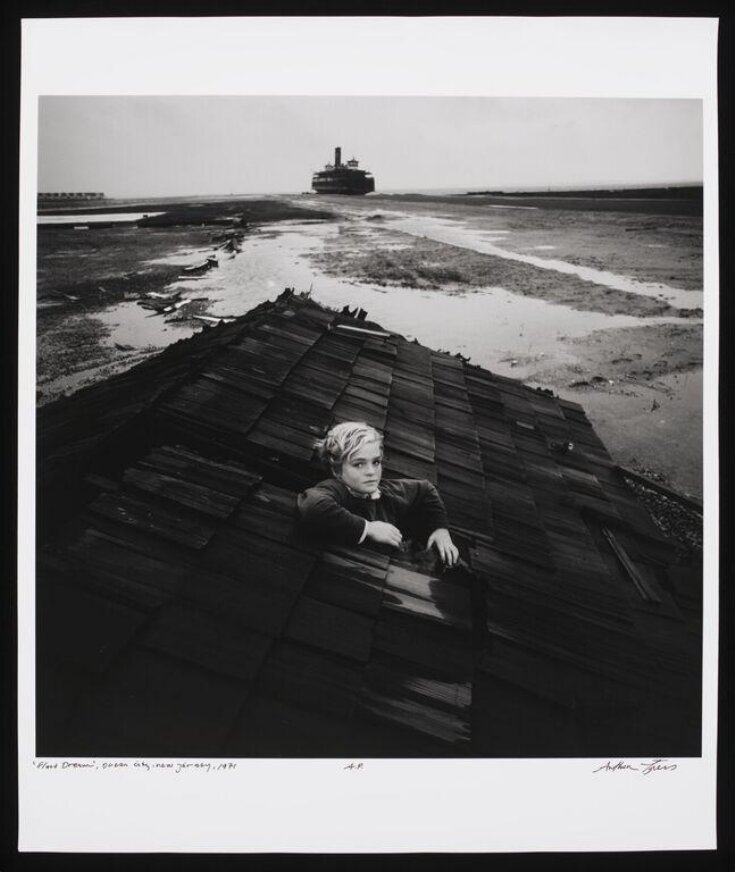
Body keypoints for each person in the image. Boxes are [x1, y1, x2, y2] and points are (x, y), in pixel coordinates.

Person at [297, 421, 459, 567]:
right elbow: (313, 505)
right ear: (337, 470)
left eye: (376, 462)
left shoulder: (385, 491)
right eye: (359, 464)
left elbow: (425, 490)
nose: (371, 472)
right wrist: (368, 529)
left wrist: (440, 529)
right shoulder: (337, 489)